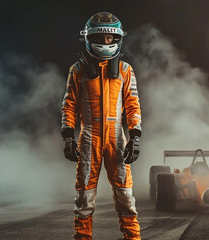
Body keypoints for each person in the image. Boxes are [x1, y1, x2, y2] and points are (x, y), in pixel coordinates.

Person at [61, 12, 142, 240]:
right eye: (101, 37)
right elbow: (69, 105)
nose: (106, 42)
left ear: (117, 38)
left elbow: (132, 105)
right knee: (85, 198)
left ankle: (132, 238)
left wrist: (135, 136)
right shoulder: (77, 70)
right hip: (89, 137)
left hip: (117, 136)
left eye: (110, 38)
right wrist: (68, 136)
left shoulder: (125, 71)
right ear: (89, 38)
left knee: (126, 195)